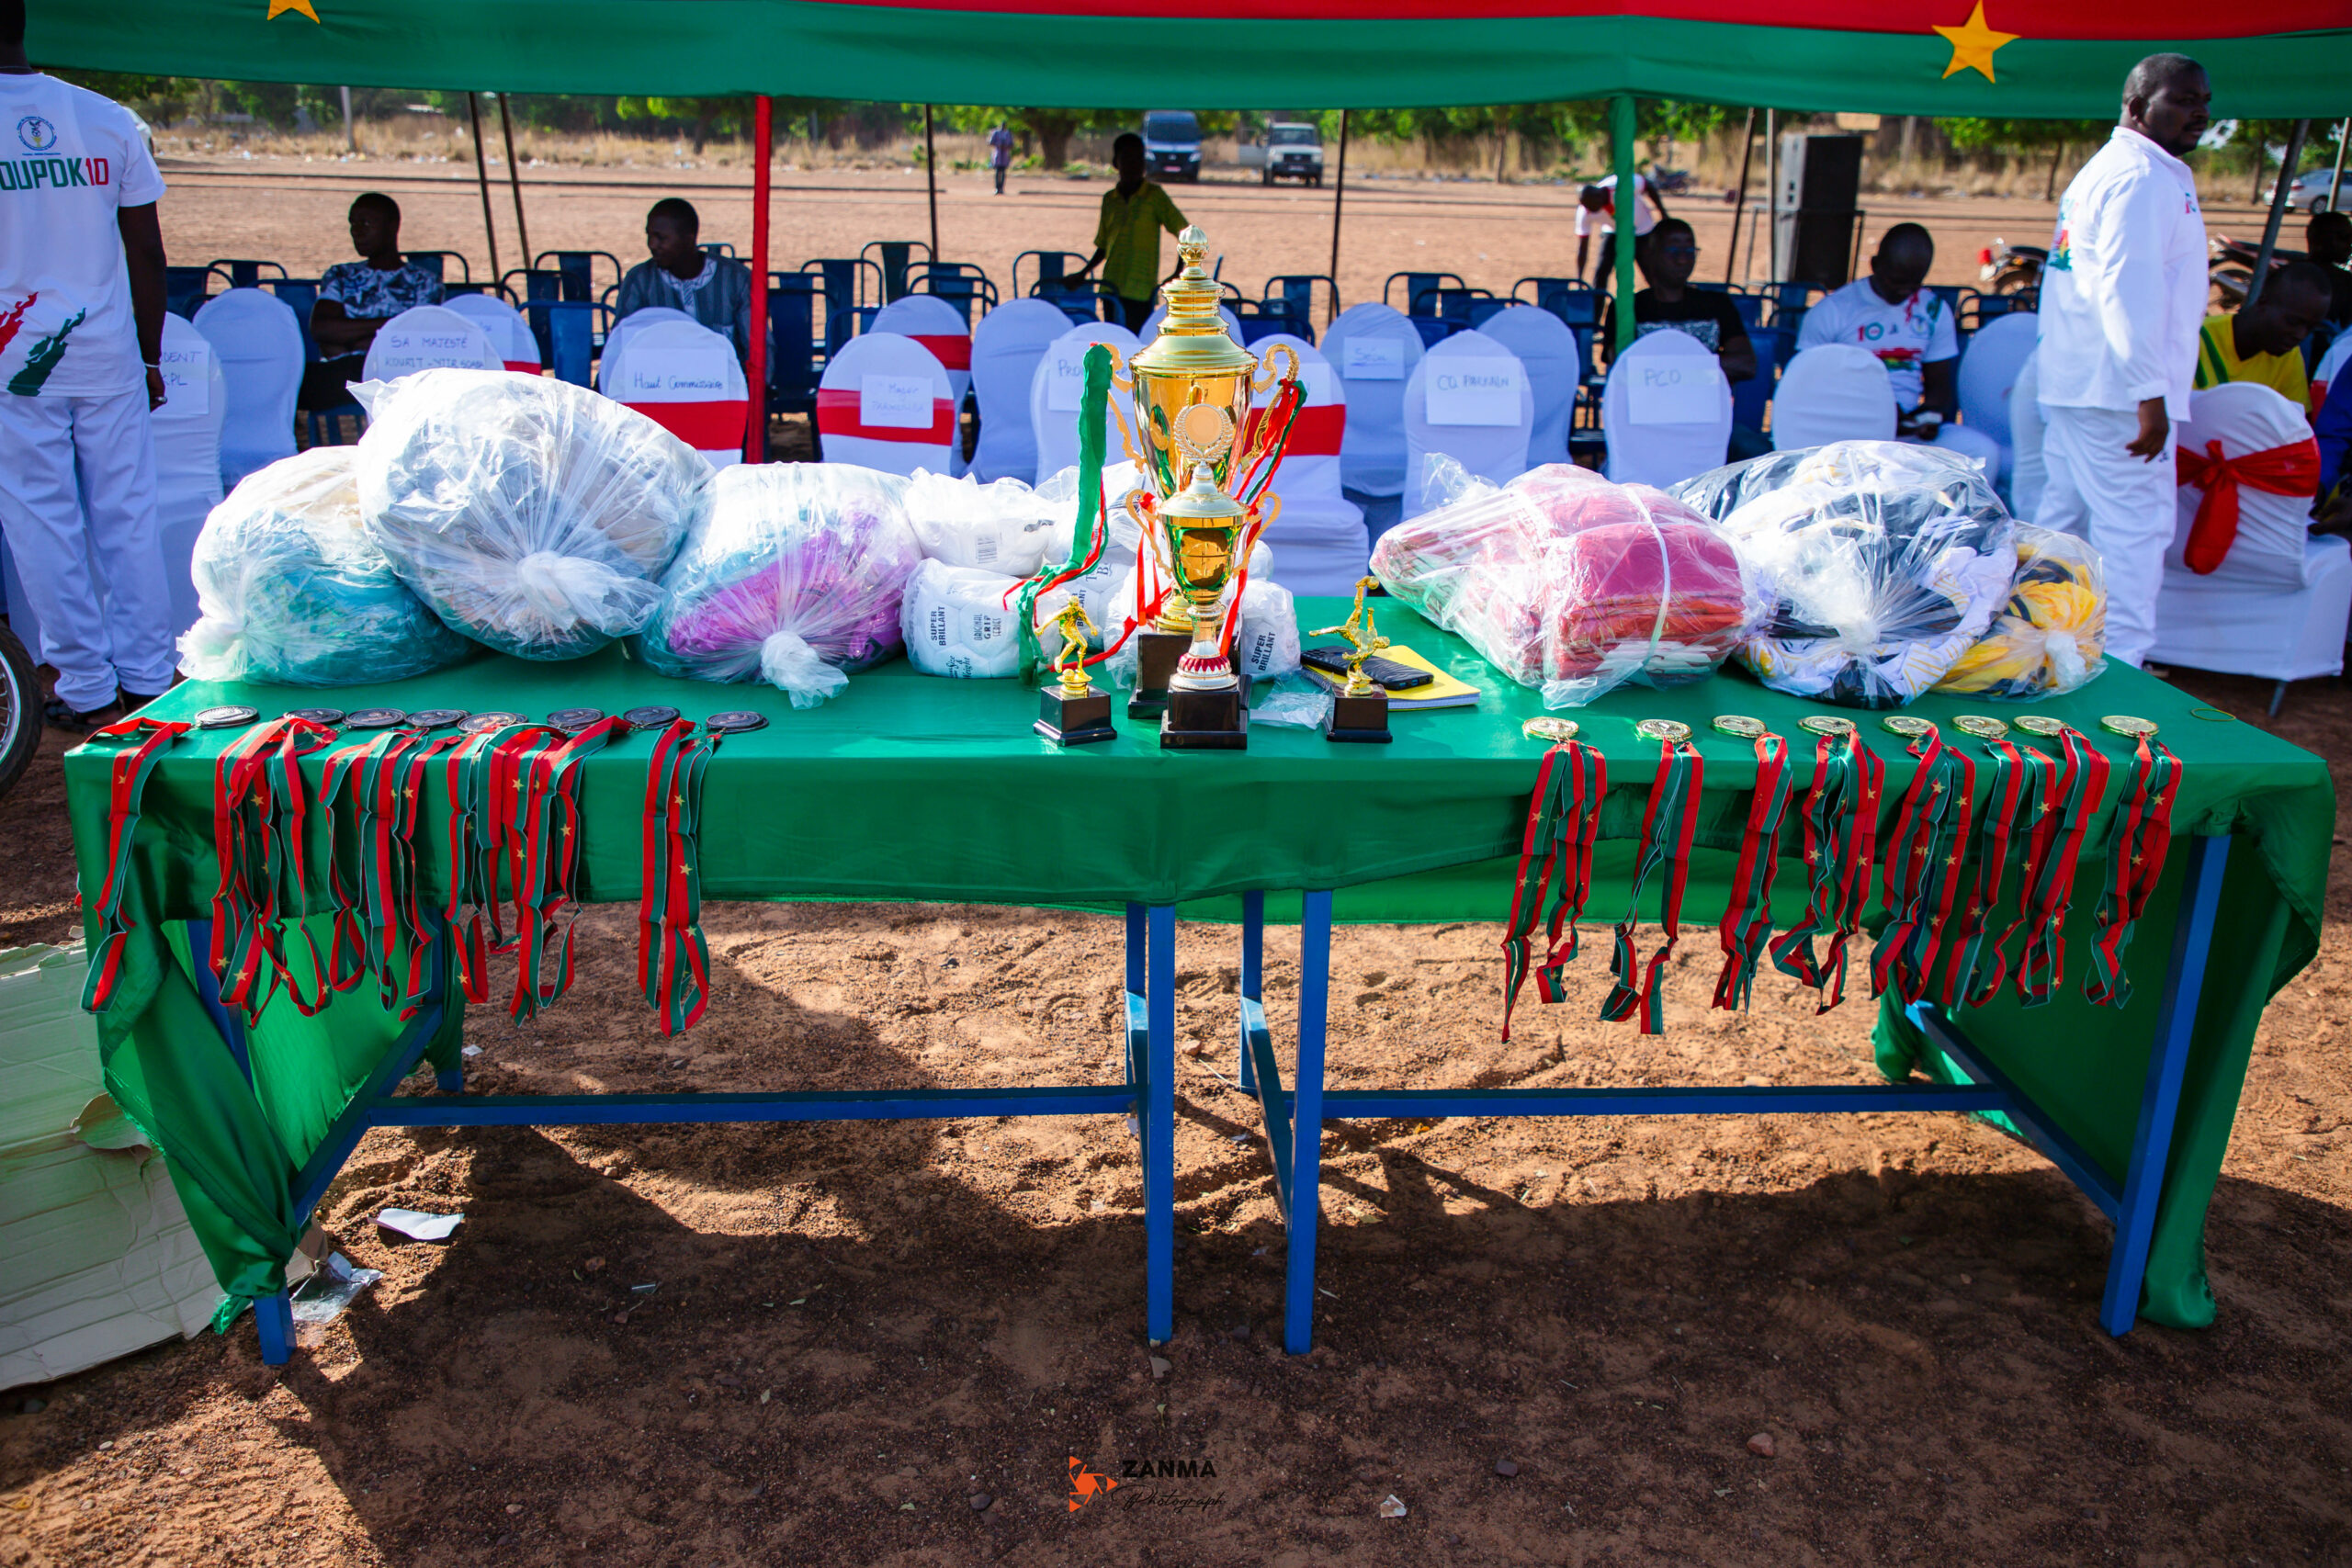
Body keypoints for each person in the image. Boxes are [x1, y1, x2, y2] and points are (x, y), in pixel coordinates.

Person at [0, 1, 178, 728]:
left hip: (13, 358)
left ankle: (86, 688)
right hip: (107, 350)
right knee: (128, 513)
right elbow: (147, 251)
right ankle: (147, 675)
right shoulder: (107, 118)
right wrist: (150, 354)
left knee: (42, 520)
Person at [2033, 52, 2212, 669]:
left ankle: (2031, 648)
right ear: (2137, 106)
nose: (2200, 113)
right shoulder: (2137, 177)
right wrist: (2149, 394)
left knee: (2064, 528)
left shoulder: (2119, 170)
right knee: (2137, 532)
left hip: (2086, 382)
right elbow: (2126, 287)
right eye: (2184, 100)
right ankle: (2126, 668)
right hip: (2117, 392)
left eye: (2204, 103)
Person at [1793, 222, 2000, 472]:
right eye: (1895, 281)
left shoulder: (1933, 310)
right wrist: (1875, 412)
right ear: (1875, 265)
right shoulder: (1834, 310)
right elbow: (1803, 384)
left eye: (1913, 284)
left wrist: (1928, 417)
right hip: (1846, 430)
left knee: (1981, 452)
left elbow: (1939, 385)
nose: (1903, 291)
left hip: (1905, 434)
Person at [1606, 219, 1767, 459]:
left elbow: (1746, 364)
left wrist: (1665, 369)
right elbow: (1621, 369)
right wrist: (1704, 368)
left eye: (1690, 250)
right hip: (1646, 425)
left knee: (1760, 454)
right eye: (1674, 249)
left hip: (1709, 422)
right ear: (1650, 253)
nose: (1683, 258)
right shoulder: (1629, 309)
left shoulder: (1717, 304)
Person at [299, 192, 445, 411]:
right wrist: (389, 327)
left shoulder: (424, 282)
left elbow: (420, 340)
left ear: (392, 226)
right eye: (353, 223)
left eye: (366, 223)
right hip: (346, 372)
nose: (357, 231)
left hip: (400, 373)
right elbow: (321, 329)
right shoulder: (341, 275)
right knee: (297, 380)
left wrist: (350, 339)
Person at [615, 197, 753, 357]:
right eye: (649, 235)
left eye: (661, 238)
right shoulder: (640, 281)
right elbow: (621, 344)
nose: (652, 244)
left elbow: (758, 348)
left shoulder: (736, 279)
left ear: (689, 239)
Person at [1077, 133, 1186, 333]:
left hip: (1141, 290)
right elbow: (1103, 246)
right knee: (1113, 344)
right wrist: (1082, 273)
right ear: (1116, 163)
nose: (1134, 164)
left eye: (1139, 158)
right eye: (1127, 158)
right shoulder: (1110, 200)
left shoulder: (1154, 196)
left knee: (1135, 346)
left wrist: (1178, 273)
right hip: (1110, 287)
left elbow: (1187, 234)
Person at [2193, 262, 2333, 411]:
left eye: (2310, 328)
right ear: (2263, 301)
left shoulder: (2289, 357)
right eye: (2292, 322)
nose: (2300, 335)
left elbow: (2296, 425)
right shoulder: (2196, 337)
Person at [1575, 173, 1666, 295]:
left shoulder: (1621, 184)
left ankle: (1663, 306)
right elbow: (1583, 247)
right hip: (1613, 231)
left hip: (1642, 231)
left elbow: (1648, 186)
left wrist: (1663, 214)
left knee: (1651, 274)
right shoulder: (1585, 211)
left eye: (1592, 207)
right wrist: (1579, 279)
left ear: (1599, 197)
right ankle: (1596, 311)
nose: (1589, 211)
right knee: (1601, 271)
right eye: (1587, 207)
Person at [2306, 209, 2352, 331]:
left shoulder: (2288, 274)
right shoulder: (2344, 282)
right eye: (2345, 237)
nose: (2350, 244)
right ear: (2322, 239)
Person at [989, 123, 1014, 197]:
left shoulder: (1008, 133)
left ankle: (1002, 188)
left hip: (1005, 154)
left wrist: (1006, 145)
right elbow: (991, 142)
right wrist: (998, 144)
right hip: (998, 154)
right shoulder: (996, 133)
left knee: (1003, 172)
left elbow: (1011, 144)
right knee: (997, 172)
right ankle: (997, 188)